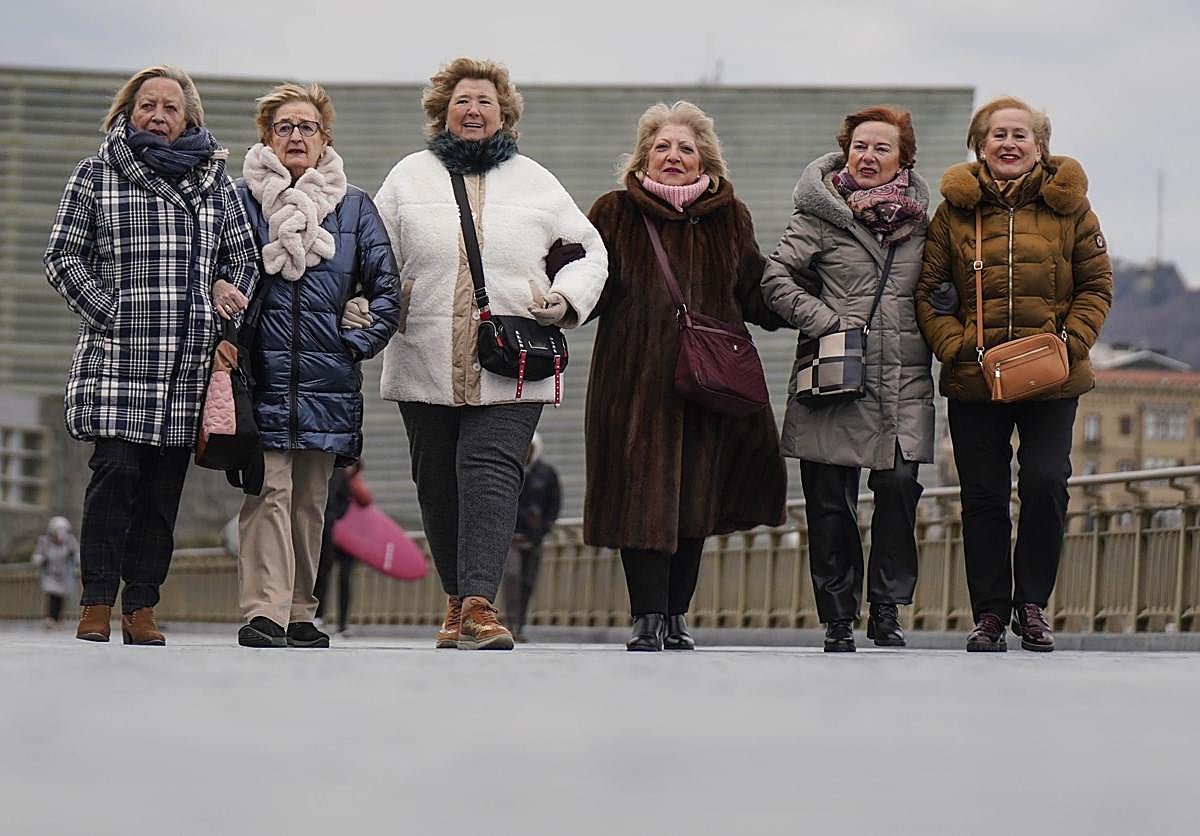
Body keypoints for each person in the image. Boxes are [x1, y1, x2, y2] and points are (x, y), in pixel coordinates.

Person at [375, 57, 608, 651]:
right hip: (424, 355)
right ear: (442, 112)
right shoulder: (407, 178)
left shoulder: (537, 182)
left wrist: (564, 299)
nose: (474, 110)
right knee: (436, 482)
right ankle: (457, 601)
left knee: (491, 472)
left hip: (514, 359)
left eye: (485, 101)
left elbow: (588, 252)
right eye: (462, 101)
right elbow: (373, 255)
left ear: (504, 114)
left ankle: (479, 604)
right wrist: (374, 303)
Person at [44, 65, 259, 646]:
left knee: (163, 495)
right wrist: (111, 312)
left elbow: (243, 260)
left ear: (188, 118)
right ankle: (95, 602)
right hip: (119, 360)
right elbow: (62, 256)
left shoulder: (216, 183)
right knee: (113, 475)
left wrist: (225, 295)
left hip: (187, 366)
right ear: (128, 112)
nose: (158, 116)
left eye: (170, 107)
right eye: (148, 106)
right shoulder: (96, 174)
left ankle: (141, 607)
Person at [585, 101, 787, 652]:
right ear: (643, 157)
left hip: (707, 382)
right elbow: (589, 286)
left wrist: (809, 291)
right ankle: (646, 617)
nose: (673, 156)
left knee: (696, 497)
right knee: (639, 495)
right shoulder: (613, 212)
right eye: (662, 147)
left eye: (685, 148)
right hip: (632, 383)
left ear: (705, 162)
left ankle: (676, 614)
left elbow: (754, 291)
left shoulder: (730, 217)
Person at [915, 96, 1112, 653]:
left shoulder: (1071, 208)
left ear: (1039, 147)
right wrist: (956, 348)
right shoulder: (954, 212)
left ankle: (1032, 605)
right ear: (980, 146)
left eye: (1020, 135)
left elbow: (1097, 286)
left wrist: (1068, 345)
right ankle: (990, 614)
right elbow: (929, 292)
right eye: (997, 134)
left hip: (1053, 376)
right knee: (983, 497)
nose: (1009, 143)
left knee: (1047, 483)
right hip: (976, 378)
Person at [761, 106, 934, 652]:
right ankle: (838, 616)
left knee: (899, 488)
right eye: (860, 146)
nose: (869, 156)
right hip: (835, 373)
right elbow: (775, 278)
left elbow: (940, 291)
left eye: (882, 148)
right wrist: (828, 321)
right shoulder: (819, 215)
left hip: (903, 380)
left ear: (904, 159)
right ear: (845, 151)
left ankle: (886, 608)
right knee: (830, 503)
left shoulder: (925, 227)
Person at [234, 83, 400, 649]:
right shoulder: (238, 201)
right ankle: (265, 610)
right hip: (261, 377)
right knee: (268, 491)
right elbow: (219, 272)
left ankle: (301, 610)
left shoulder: (355, 206)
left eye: (307, 127)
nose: (296, 136)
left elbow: (387, 290)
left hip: (328, 381)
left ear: (326, 138)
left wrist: (354, 343)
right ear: (266, 137)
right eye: (284, 127)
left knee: (310, 502)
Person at [501, 433, 561, 642]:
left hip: (534, 537)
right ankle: (510, 623)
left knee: (527, 582)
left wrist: (543, 527)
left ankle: (519, 625)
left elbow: (553, 503)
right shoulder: (508, 471)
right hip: (510, 537)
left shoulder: (546, 474)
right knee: (512, 577)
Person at [314, 460, 372, 634]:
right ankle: (318, 616)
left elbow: (365, 500)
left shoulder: (352, 483)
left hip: (346, 536)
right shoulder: (333, 475)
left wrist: (335, 516)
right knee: (322, 575)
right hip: (330, 534)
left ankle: (342, 622)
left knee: (344, 578)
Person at [31, 517, 80, 629]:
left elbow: (77, 555)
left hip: (65, 574)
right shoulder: (44, 541)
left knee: (61, 596)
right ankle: (51, 618)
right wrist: (41, 559)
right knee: (52, 595)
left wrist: (74, 557)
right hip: (49, 573)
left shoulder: (70, 541)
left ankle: (59, 619)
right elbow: (37, 557)